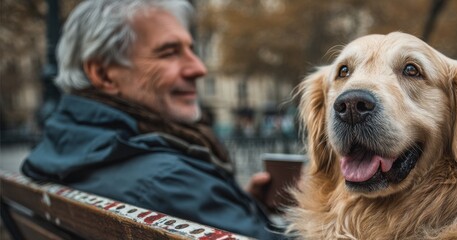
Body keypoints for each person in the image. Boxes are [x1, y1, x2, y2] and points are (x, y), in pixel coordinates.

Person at [20, 0, 282, 239]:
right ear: (104, 74)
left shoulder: (63, 150)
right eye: (169, 52)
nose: (199, 68)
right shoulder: (168, 181)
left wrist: (236, 207)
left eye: (191, 49)